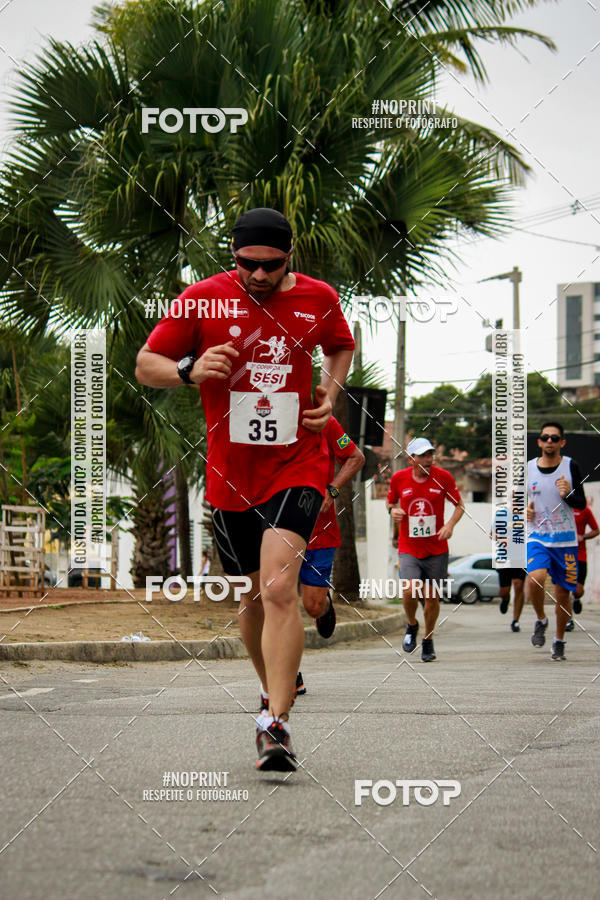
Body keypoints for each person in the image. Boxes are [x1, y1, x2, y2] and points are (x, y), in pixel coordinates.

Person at [135, 208, 354, 771]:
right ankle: (268, 692)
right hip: (231, 476)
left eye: (270, 266)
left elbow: (339, 344)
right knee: (253, 596)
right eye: (246, 264)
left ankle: (275, 723)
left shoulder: (318, 298)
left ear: (290, 256)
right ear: (232, 255)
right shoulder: (202, 298)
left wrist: (329, 391)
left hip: (297, 464)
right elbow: (145, 364)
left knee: (281, 587)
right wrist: (188, 368)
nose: (258, 275)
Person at [259, 416, 364, 711]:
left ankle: (326, 604)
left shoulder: (325, 422)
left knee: (312, 606)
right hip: (278, 526)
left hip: (319, 527)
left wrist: (332, 489)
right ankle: (288, 674)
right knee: (277, 596)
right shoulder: (265, 417)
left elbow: (355, 457)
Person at [387, 437, 464, 661]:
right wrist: (393, 511)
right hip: (409, 546)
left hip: (437, 548)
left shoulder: (443, 477)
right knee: (411, 590)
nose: (429, 459)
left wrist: (449, 525)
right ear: (411, 459)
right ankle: (412, 624)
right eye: (423, 455)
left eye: (430, 454)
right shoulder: (399, 478)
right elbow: (391, 502)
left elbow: (459, 505)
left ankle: (428, 639)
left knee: (431, 597)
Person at [526, 422, 586, 660]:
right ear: (539, 442)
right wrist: (524, 512)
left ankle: (559, 640)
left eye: (554, 438)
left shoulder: (571, 466)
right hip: (537, 536)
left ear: (562, 442)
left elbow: (581, 503)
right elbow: (518, 500)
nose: (549, 441)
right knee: (535, 578)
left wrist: (568, 494)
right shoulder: (529, 468)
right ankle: (541, 619)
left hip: (565, 540)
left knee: (563, 594)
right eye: (545, 437)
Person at [491, 509, 526, 632]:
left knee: (518, 585)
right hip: (504, 557)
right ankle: (505, 600)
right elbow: (492, 533)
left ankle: (515, 621)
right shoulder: (501, 514)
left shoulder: (526, 513)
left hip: (521, 557)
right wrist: (501, 538)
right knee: (504, 592)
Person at [565, 503, 599, 631]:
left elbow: (596, 530)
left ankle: (576, 599)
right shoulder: (560, 508)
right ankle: (568, 620)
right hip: (564, 554)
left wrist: (583, 537)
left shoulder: (585, 510)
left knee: (578, 591)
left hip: (580, 555)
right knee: (565, 588)